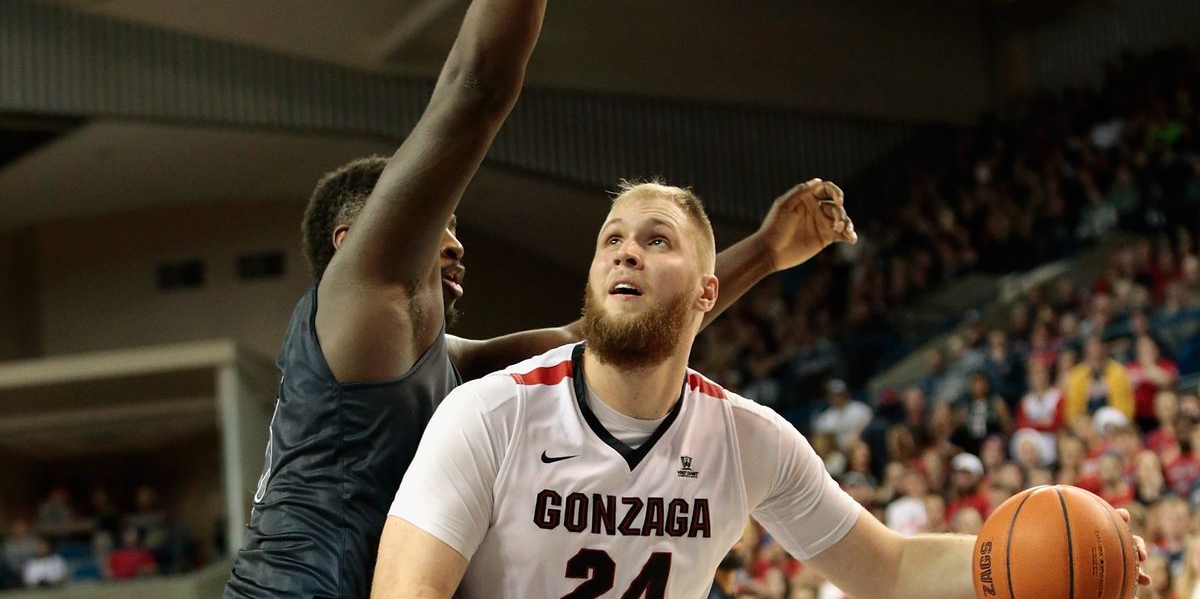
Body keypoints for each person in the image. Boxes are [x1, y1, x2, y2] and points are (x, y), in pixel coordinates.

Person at [225, 0, 858, 596]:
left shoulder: (435, 361)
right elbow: (474, 90)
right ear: (355, 238)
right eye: (441, 225)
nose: (457, 242)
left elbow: (598, 338)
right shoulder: (363, 294)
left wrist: (765, 251)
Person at [372, 180, 1151, 598]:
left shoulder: (747, 439)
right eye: (611, 239)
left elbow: (887, 567)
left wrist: (1053, 552)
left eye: (655, 239)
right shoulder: (490, 413)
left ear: (709, 292)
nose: (625, 253)